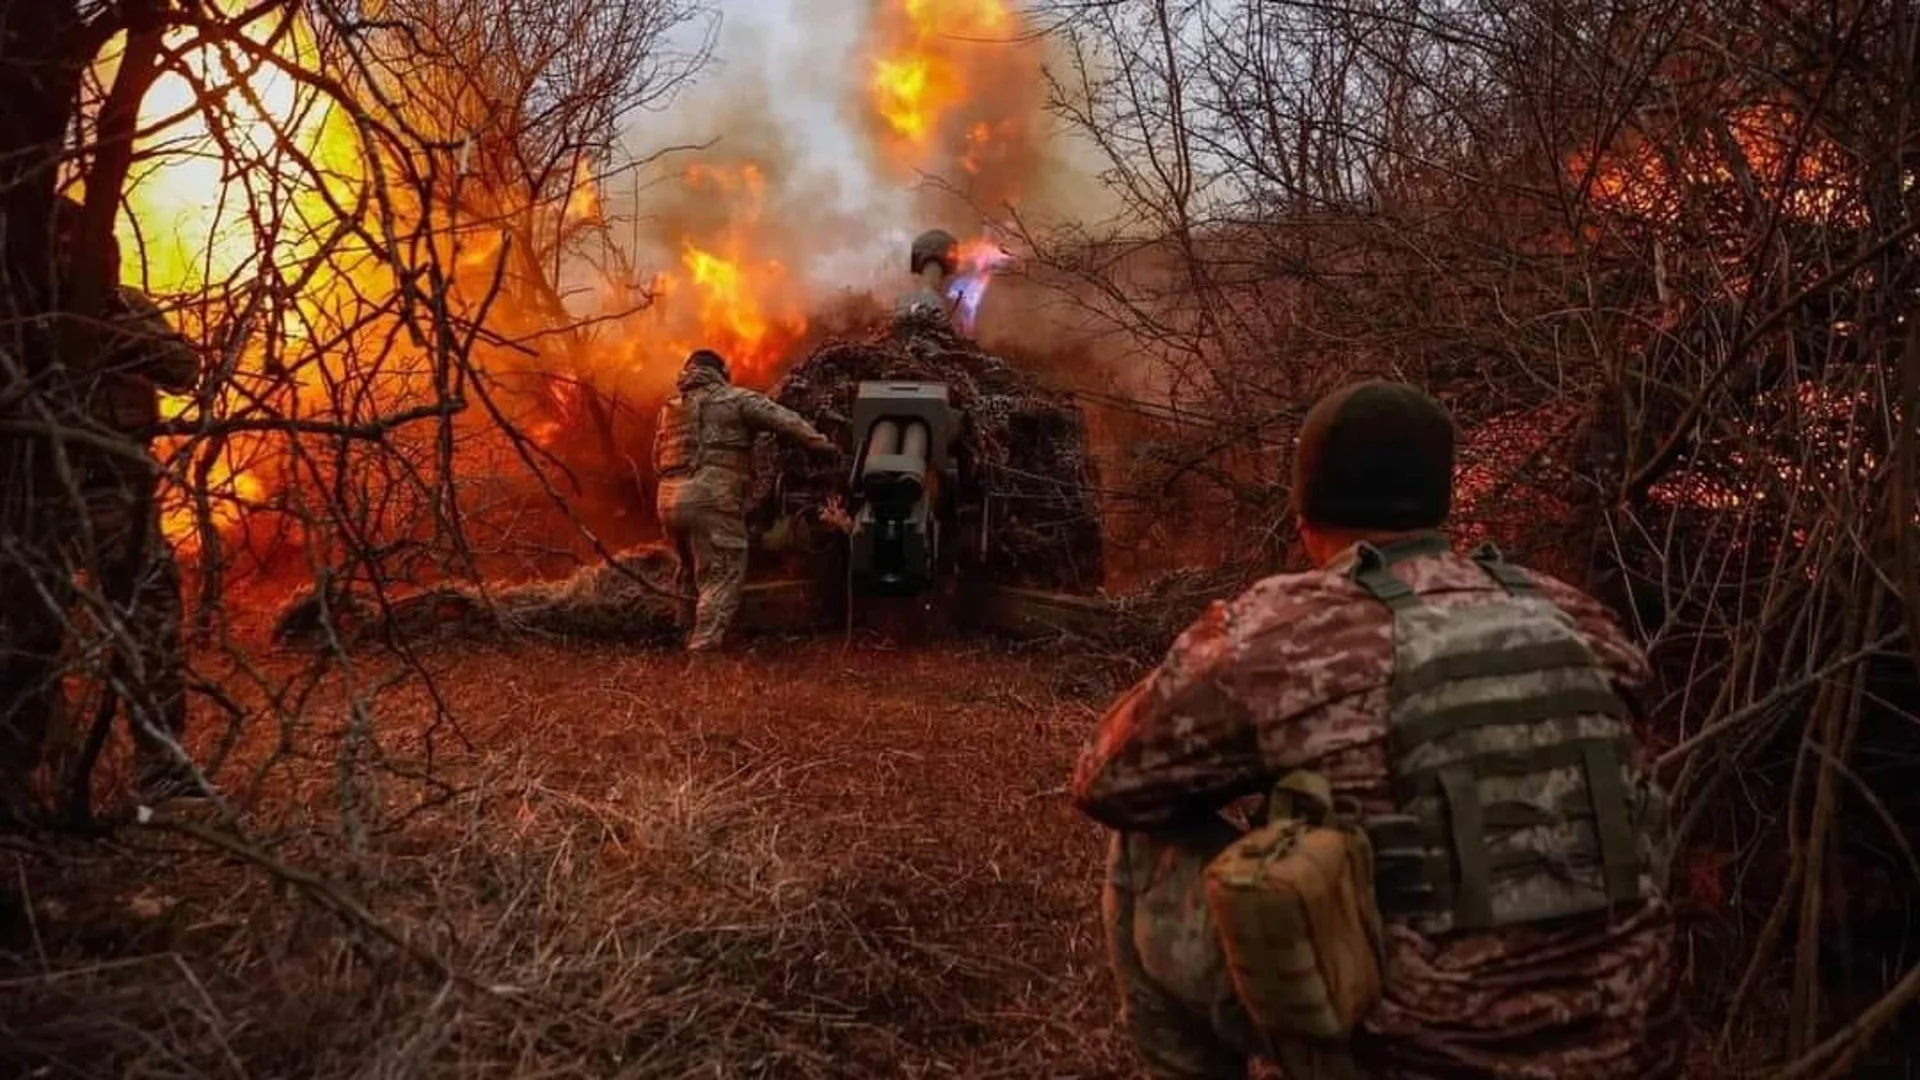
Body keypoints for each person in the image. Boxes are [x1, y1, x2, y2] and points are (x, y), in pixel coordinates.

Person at [1072, 380, 1680, 1079]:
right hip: (1626, 1051)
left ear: (1305, 511)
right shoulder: (1578, 618)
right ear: (1439, 504)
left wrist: (1220, 657)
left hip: (1411, 1058)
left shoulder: (1292, 627)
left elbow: (1108, 780)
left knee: (1146, 844)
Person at [1, 195, 209, 810]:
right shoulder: (17, 317)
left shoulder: (126, 308)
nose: (69, 258)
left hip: (119, 492)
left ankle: (161, 769)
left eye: (80, 247)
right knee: (30, 636)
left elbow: (182, 367)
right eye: (56, 246)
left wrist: (107, 327)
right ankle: (17, 778)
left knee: (151, 622)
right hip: (34, 501)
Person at [653, 348, 834, 652]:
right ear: (721, 373)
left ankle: (682, 631)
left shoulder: (669, 408)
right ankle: (703, 652)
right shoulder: (735, 399)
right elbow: (785, 420)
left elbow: (656, 459)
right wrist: (822, 446)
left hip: (668, 499)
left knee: (687, 570)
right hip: (712, 498)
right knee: (721, 575)